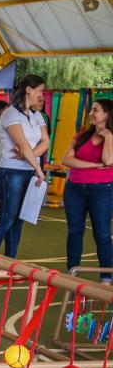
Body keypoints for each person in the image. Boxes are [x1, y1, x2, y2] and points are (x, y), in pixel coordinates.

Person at [0, 75, 48, 258]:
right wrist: (38, 168)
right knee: (6, 219)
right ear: (29, 89)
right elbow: (23, 144)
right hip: (11, 172)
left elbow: (45, 142)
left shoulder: (37, 116)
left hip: (28, 171)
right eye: (40, 91)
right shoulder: (10, 114)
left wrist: (29, 158)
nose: (41, 95)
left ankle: (10, 265)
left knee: (19, 220)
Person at [63, 99, 113, 279]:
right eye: (92, 109)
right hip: (74, 189)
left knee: (103, 234)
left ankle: (106, 277)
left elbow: (108, 161)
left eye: (96, 110)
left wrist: (108, 136)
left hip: (102, 190)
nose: (91, 113)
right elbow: (67, 159)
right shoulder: (82, 135)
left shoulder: (111, 137)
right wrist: (92, 164)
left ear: (107, 114)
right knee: (75, 231)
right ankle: (71, 271)